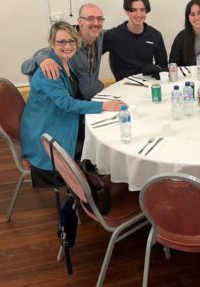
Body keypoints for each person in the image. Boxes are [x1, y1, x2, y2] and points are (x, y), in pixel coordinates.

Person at [20, 22, 124, 187]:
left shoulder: (65, 63)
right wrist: (104, 106)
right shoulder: (50, 70)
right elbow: (67, 104)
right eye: (61, 42)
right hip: (49, 131)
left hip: (58, 118)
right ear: (52, 43)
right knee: (102, 141)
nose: (67, 46)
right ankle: (90, 186)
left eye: (71, 41)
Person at [21, 3, 109, 100]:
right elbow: (25, 67)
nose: (96, 23)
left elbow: (120, 33)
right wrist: (43, 59)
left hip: (97, 94)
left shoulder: (102, 36)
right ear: (80, 22)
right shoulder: (68, 41)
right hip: (77, 100)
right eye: (90, 18)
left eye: (100, 19)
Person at [106, 0, 168, 80]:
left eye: (142, 10)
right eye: (134, 10)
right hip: (122, 85)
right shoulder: (113, 35)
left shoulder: (155, 35)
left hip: (148, 83)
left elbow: (163, 66)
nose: (139, 14)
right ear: (126, 11)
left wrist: (156, 71)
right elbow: (93, 54)